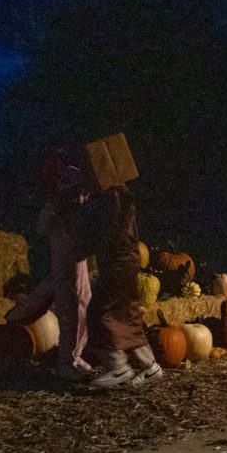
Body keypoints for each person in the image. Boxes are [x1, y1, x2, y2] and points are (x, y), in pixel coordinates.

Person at [65, 150, 163, 389]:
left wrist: (80, 213)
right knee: (125, 313)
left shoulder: (112, 197)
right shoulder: (119, 194)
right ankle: (150, 366)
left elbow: (101, 232)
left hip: (118, 262)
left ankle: (117, 366)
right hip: (126, 260)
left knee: (101, 312)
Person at [4, 147, 93, 381]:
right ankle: (68, 361)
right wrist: (60, 206)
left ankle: (16, 317)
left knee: (80, 297)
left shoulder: (73, 177)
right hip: (65, 247)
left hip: (76, 248)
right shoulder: (58, 192)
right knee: (72, 303)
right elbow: (43, 225)